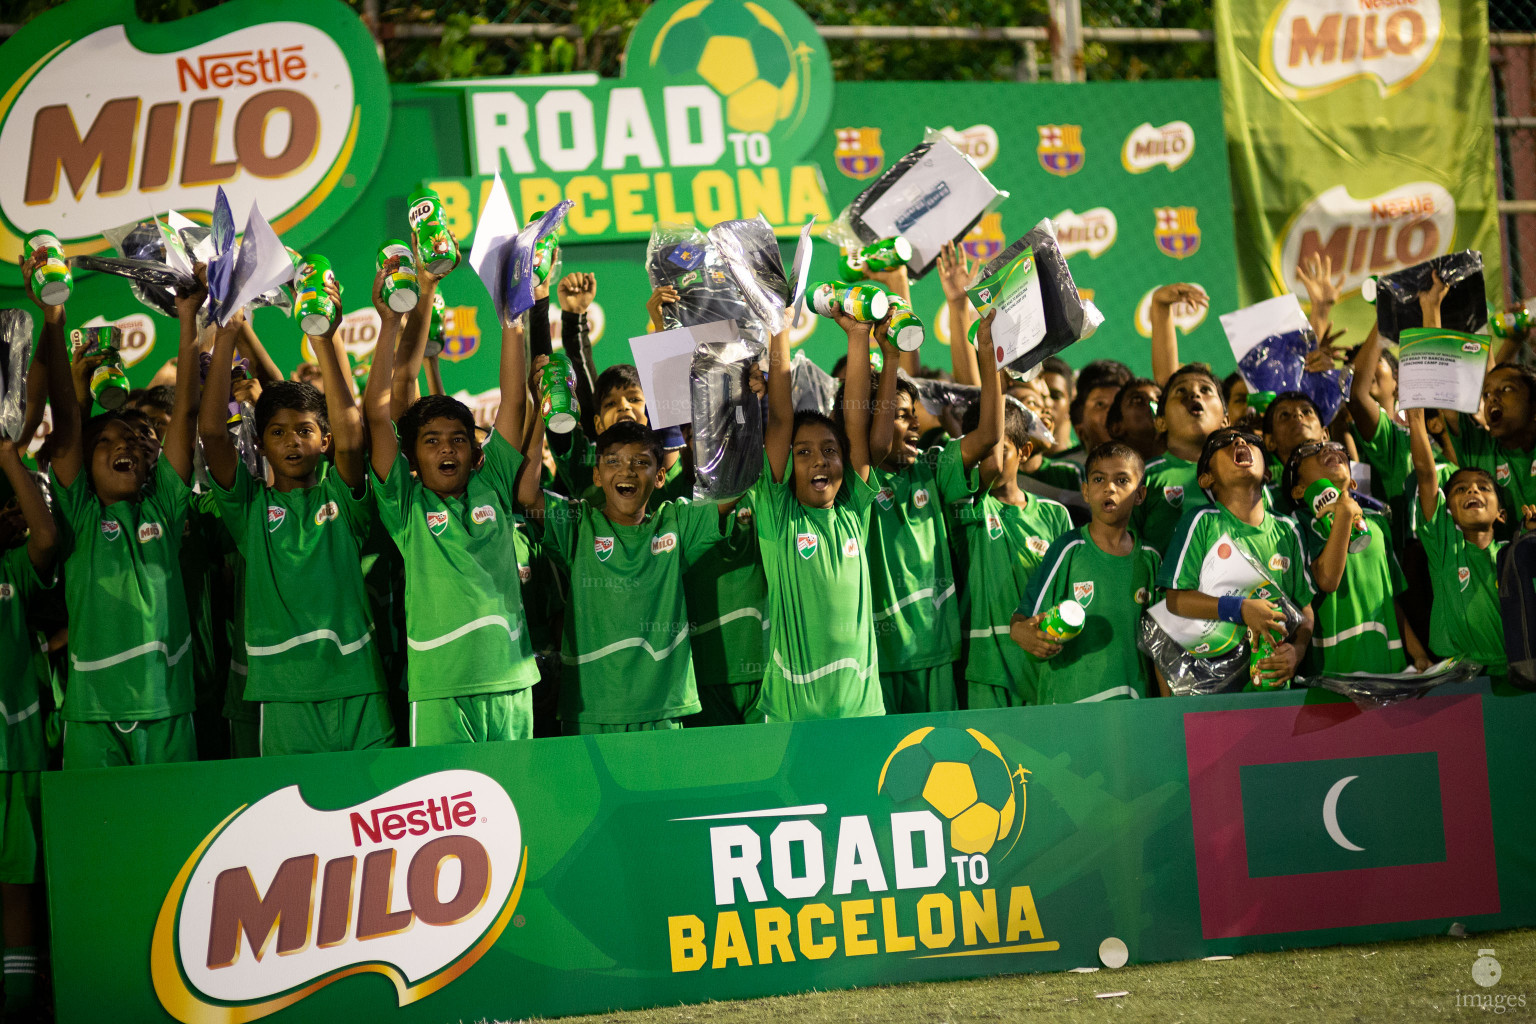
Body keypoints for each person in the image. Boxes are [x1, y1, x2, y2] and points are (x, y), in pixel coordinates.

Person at [198, 274, 393, 756]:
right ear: (260, 442)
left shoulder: (344, 499)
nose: (292, 441)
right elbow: (213, 435)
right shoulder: (249, 509)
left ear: (322, 441)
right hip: (281, 693)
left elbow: (353, 435)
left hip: (359, 682)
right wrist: (226, 332)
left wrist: (324, 337)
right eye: (279, 432)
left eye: (305, 430)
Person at [30, 250, 203, 768]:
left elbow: (189, 409)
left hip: (168, 709)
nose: (123, 442)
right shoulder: (81, 515)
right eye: (105, 440)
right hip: (91, 716)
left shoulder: (166, 506)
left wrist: (190, 317)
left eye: (133, 435)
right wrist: (55, 319)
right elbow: (64, 436)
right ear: (86, 460)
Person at [365, 263, 539, 745]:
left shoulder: (495, 484)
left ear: (476, 451)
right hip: (439, 690)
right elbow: (378, 417)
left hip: (512, 681)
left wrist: (512, 322)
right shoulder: (405, 504)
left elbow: (513, 402)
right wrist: (389, 325)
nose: (447, 449)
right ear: (412, 457)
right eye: (433, 441)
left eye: (459, 439)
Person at [521, 414, 730, 732]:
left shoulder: (675, 523)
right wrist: (538, 413)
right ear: (597, 474)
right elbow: (526, 494)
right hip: (590, 713)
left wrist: (740, 404)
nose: (627, 470)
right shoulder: (578, 526)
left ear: (660, 476)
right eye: (613, 461)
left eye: (640, 462)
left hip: (662, 711)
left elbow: (734, 488)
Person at [750, 313, 883, 721]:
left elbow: (855, 422)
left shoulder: (854, 511)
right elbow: (780, 419)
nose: (819, 460)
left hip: (863, 714)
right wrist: (779, 325)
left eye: (829, 450)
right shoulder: (778, 513)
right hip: (795, 719)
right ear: (788, 465)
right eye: (803, 452)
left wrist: (859, 336)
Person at [865, 312, 1000, 714]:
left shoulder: (933, 469)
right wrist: (889, 359)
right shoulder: (855, 480)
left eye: (914, 415)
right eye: (899, 415)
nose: (913, 425)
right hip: (875, 658)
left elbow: (990, 435)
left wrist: (989, 354)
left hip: (936, 652)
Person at [953, 343, 1073, 708]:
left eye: (1000, 449)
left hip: (1048, 670)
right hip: (988, 676)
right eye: (981, 450)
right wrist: (988, 355)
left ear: (1024, 452)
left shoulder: (1055, 516)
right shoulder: (967, 504)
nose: (988, 460)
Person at [1159, 428, 1316, 691]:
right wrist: (1241, 609)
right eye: (1223, 443)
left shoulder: (1288, 529)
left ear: (1266, 472)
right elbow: (1175, 601)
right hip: (1215, 688)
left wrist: (1297, 652)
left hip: (1273, 683)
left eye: (1252, 441)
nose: (1240, 442)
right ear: (1206, 478)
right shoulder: (1202, 522)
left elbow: (1305, 609)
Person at [1011, 442, 1160, 703]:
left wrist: (1168, 707)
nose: (1109, 487)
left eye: (1122, 480)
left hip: (1134, 705)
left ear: (1140, 494)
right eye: (1099, 479)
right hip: (1070, 706)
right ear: (1086, 491)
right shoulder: (1067, 549)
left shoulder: (1150, 558)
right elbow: (1022, 619)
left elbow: (1162, 645)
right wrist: (1023, 633)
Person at [1284, 440, 1429, 676]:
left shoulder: (1377, 523)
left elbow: (1390, 598)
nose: (1328, 450)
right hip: (1334, 672)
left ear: (1352, 481)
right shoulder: (1296, 524)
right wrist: (1344, 513)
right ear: (1299, 490)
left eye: (1335, 447)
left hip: (1388, 665)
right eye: (1312, 451)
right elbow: (1327, 579)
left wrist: (1419, 655)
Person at [0, 436, 56, 1020]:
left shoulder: (14, 568)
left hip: (14, 748)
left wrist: (10, 460)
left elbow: (45, 537)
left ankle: (19, 1001)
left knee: (17, 879)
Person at [1408, 408, 1509, 681]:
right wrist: (1416, 418)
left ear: (1502, 513)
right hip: (1460, 682)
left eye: (1483, 487)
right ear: (1448, 511)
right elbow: (1426, 475)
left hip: (1514, 675)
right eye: (1460, 489)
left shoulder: (1515, 555)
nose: (1472, 490)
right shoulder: (1444, 547)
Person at [1135, 364, 1230, 553]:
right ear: (1161, 422)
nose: (1194, 395)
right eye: (1180, 390)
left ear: (1225, 422)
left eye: (1205, 390)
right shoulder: (1143, 476)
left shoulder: (1246, 473)